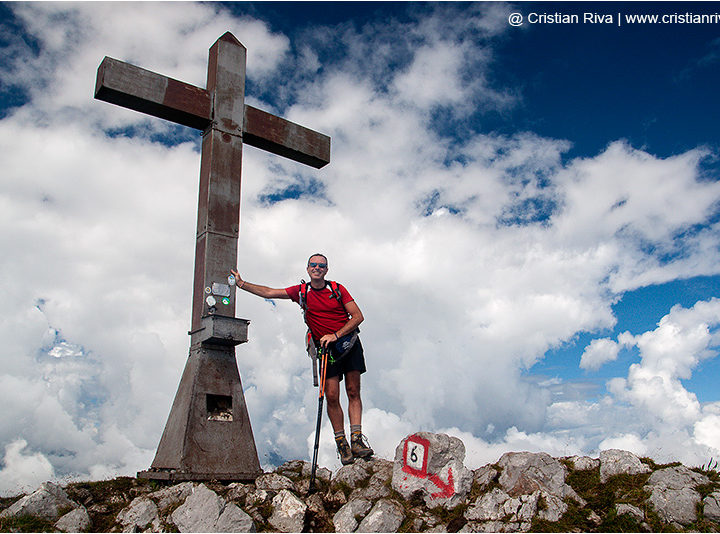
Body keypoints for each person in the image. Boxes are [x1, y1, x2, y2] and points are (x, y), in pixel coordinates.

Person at [230, 253, 373, 465]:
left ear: (326, 269)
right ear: (307, 269)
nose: (317, 268)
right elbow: (270, 292)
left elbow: (358, 316)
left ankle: (357, 440)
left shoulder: (337, 289)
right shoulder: (302, 292)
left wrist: (336, 335)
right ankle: (341, 443)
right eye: (313, 265)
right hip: (325, 350)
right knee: (332, 395)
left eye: (321, 265)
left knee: (353, 390)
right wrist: (241, 284)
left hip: (347, 343)